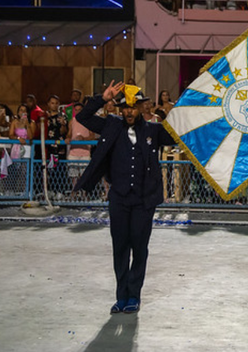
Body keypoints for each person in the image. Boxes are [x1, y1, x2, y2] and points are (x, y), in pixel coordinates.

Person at [74, 81, 176, 315]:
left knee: (139, 248)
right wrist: (103, 97)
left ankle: (134, 296)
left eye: (133, 107)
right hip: (119, 198)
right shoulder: (111, 126)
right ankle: (121, 296)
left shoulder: (153, 130)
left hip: (143, 201)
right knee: (120, 247)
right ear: (120, 109)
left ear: (141, 107)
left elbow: (180, 134)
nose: (129, 111)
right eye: (125, 107)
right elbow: (84, 117)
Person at [66, 103, 93, 198]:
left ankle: (84, 193)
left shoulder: (89, 121)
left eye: (80, 109)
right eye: (76, 110)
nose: (78, 111)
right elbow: (69, 134)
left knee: (84, 174)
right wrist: (68, 138)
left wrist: (83, 139)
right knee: (73, 174)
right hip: (74, 151)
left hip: (85, 151)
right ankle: (75, 191)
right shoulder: (72, 121)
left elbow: (92, 136)